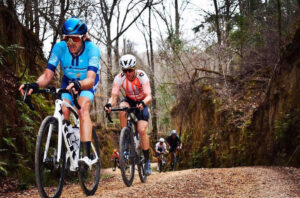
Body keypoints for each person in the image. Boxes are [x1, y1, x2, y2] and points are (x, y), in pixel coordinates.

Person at [18, 17, 101, 167]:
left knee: (82, 108)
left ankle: (87, 155)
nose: (71, 43)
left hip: (87, 82)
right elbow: (48, 74)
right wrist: (35, 85)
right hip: (68, 81)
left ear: (84, 37)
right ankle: (72, 141)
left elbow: (90, 79)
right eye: (67, 39)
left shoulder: (92, 50)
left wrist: (80, 84)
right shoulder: (59, 48)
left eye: (75, 39)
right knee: (64, 109)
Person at [104, 54, 152, 175]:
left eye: (130, 70)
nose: (128, 73)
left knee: (141, 130)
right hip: (129, 100)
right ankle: (125, 137)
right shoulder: (119, 78)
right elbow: (114, 97)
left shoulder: (142, 76)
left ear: (135, 68)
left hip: (142, 101)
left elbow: (149, 96)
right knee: (121, 108)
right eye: (125, 71)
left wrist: (143, 102)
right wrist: (109, 104)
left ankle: (147, 161)